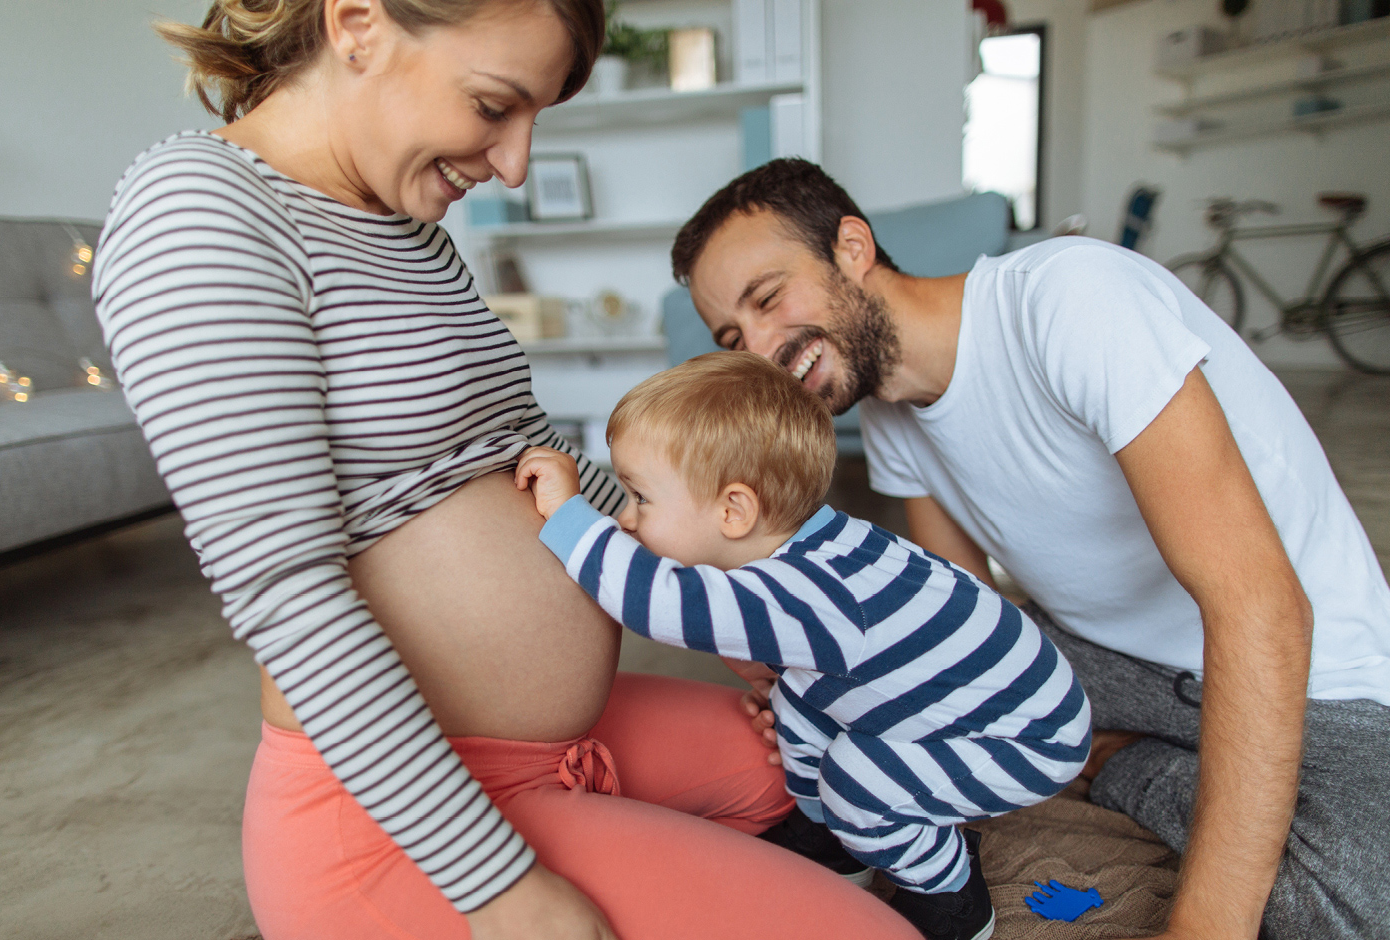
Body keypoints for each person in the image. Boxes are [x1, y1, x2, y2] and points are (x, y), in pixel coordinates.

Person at [92, 7, 922, 938]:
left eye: (536, 118)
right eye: (495, 104)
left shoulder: (405, 227)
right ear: (358, 22)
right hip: (392, 817)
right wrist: (502, 890)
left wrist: (719, 598)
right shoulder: (198, 212)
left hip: (566, 741)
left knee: (821, 762)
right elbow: (286, 594)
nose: (515, 163)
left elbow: (535, 459)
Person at [667, 158, 1390, 940]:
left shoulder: (1071, 298)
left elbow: (1259, 604)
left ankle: (1118, 764)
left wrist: (1206, 928)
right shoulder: (891, 420)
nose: (763, 349)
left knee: (1341, 906)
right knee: (848, 712)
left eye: (770, 299)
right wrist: (811, 682)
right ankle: (1118, 758)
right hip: (1096, 660)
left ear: (852, 247)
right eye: (734, 337)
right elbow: (960, 628)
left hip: (1311, 670)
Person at [515, 351, 1093, 940]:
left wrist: (569, 515)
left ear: (734, 510)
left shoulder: (811, 590)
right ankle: (832, 838)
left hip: (1023, 734)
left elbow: (659, 604)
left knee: (857, 780)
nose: (628, 519)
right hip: (964, 697)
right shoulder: (814, 540)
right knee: (794, 702)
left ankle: (949, 891)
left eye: (640, 497)